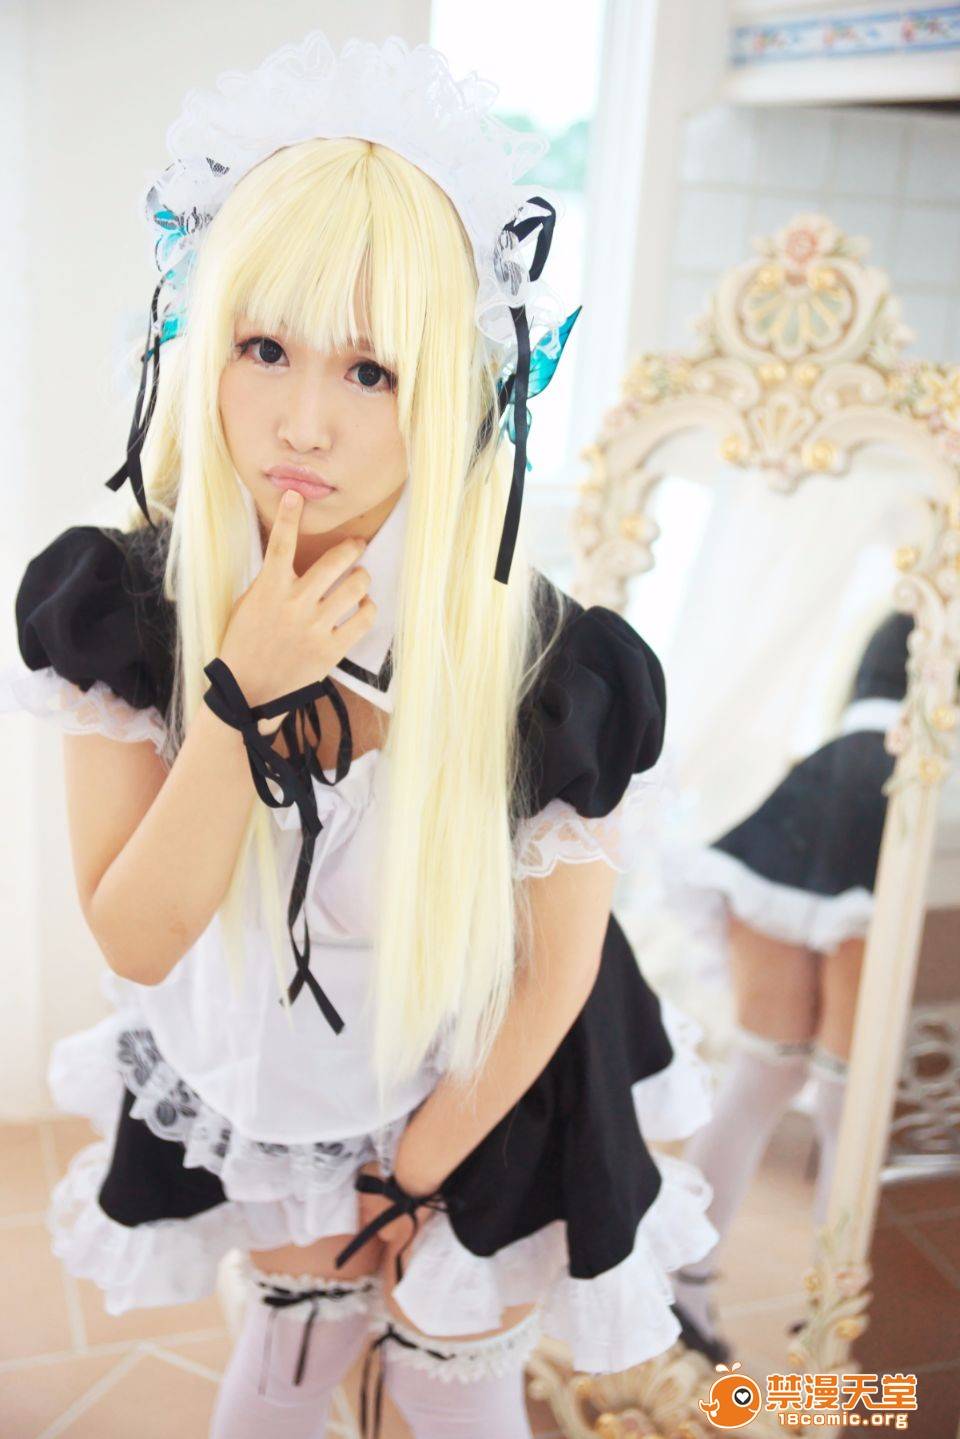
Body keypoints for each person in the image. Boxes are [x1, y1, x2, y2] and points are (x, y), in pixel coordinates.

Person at [2, 31, 717, 1439]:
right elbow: (137, 934)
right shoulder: (124, 608)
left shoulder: (555, 668)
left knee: (454, 1384)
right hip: (269, 1084)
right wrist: (240, 689)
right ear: (204, 342)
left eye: (373, 370)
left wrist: (415, 1176)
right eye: (265, 347)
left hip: (492, 1086)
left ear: (450, 386)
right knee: (284, 1364)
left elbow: (552, 972)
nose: (304, 422)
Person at [670, 608, 915, 1362]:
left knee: (761, 1075)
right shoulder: (927, 607)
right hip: (903, 803)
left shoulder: (908, 609)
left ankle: (683, 1289)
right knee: (848, 1104)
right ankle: (831, 1319)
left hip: (816, 788)